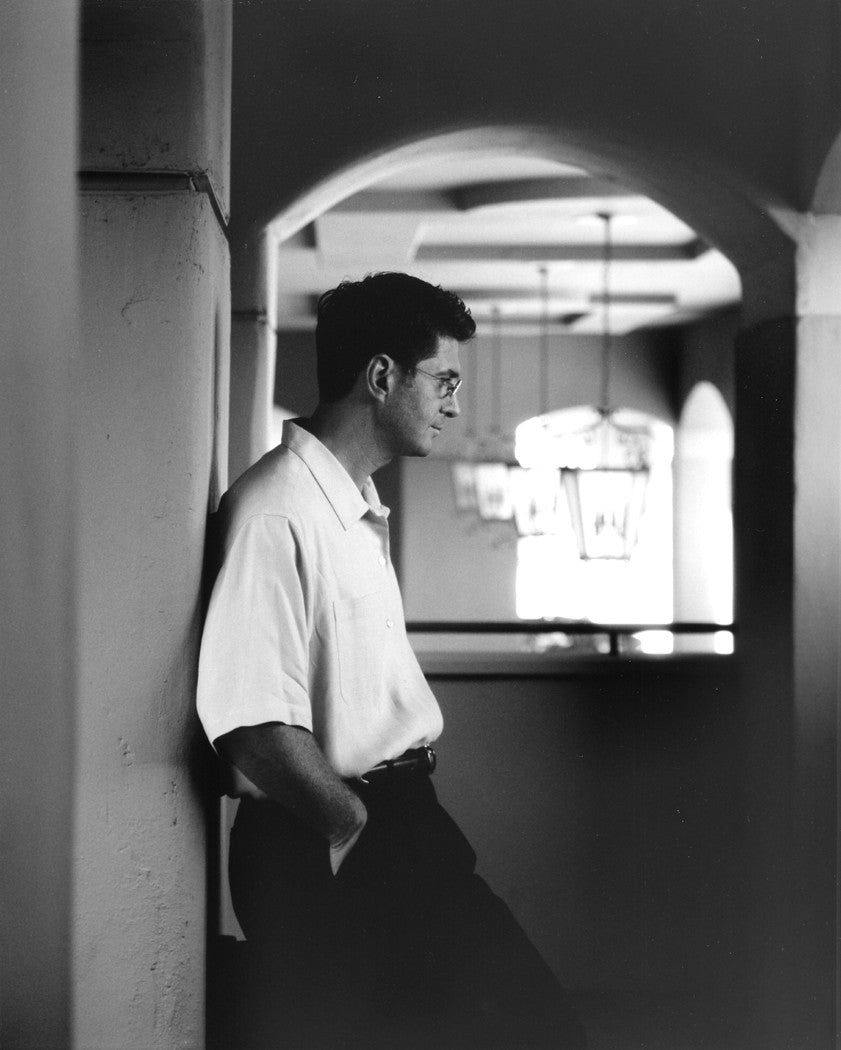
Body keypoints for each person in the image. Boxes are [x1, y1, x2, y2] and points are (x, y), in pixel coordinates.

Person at [197, 272, 586, 1049]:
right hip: (332, 831)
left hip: (397, 822)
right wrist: (351, 826)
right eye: (443, 381)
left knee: (531, 1024)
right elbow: (250, 722)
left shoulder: (350, 505)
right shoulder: (278, 510)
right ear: (381, 376)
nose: (453, 404)